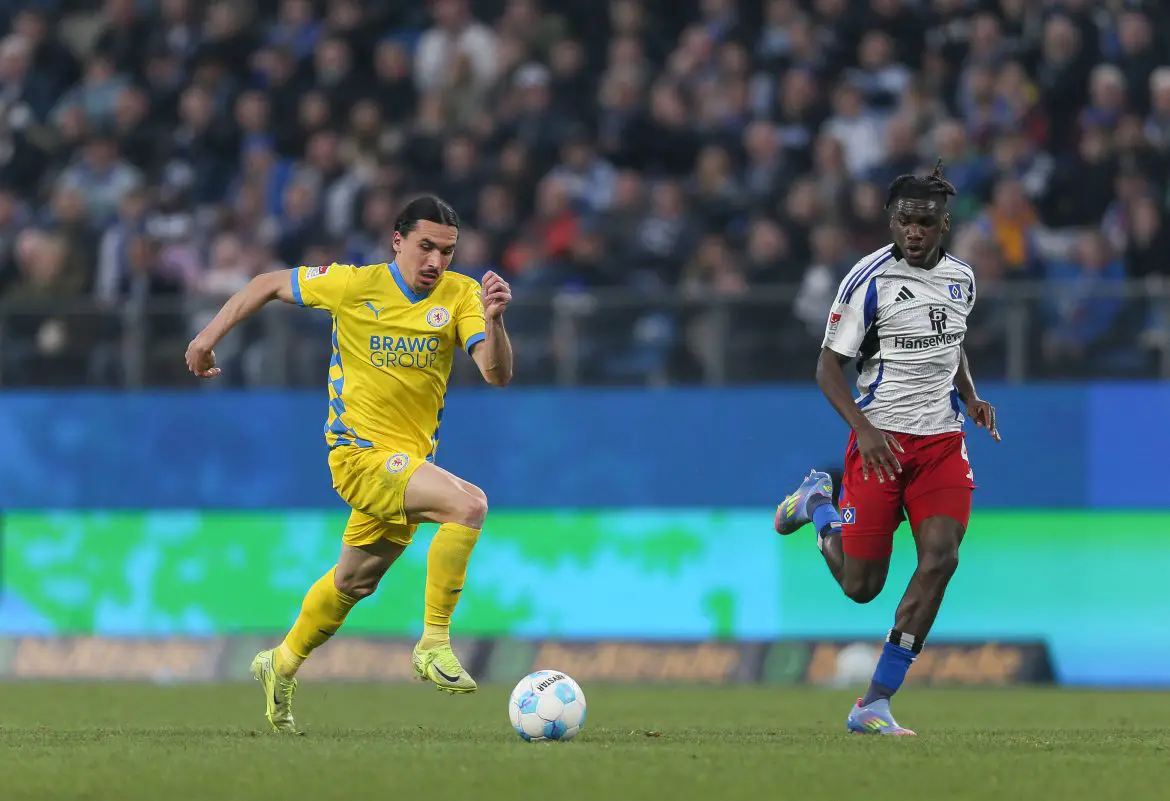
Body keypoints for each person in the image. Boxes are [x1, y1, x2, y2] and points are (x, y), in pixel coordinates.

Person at [185, 196, 513, 733]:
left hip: (406, 465)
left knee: (353, 582)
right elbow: (266, 282)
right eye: (425, 247)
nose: (435, 261)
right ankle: (433, 642)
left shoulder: (462, 296)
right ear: (398, 242)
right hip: (357, 457)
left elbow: (496, 373)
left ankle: (281, 662)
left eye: (447, 252)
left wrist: (495, 322)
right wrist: (205, 338)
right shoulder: (354, 285)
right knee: (468, 504)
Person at [773, 162, 1000, 735]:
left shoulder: (963, 279)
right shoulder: (866, 280)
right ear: (891, 221)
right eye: (905, 222)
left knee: (941, 558)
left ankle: (873, 702)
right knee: (860, 586)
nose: (915, 232)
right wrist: (864, 430)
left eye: (926, 222)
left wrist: (970, 397)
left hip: (943, 443)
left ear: (944, 224)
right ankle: (816, 505)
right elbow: (827, 367)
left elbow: (953, 345)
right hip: (880, 445)